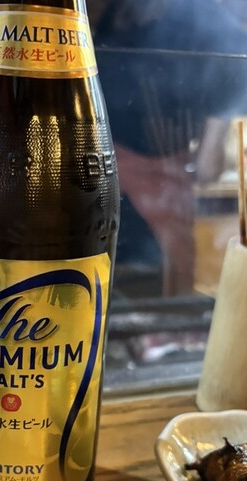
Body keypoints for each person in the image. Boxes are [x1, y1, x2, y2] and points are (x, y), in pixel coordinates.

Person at [87, 0, 247, 296]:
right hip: (108, 181)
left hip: (144, 186)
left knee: (139, 283)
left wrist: (211, 145)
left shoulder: (197, 15)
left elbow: (236, 60)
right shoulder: (118, 13)